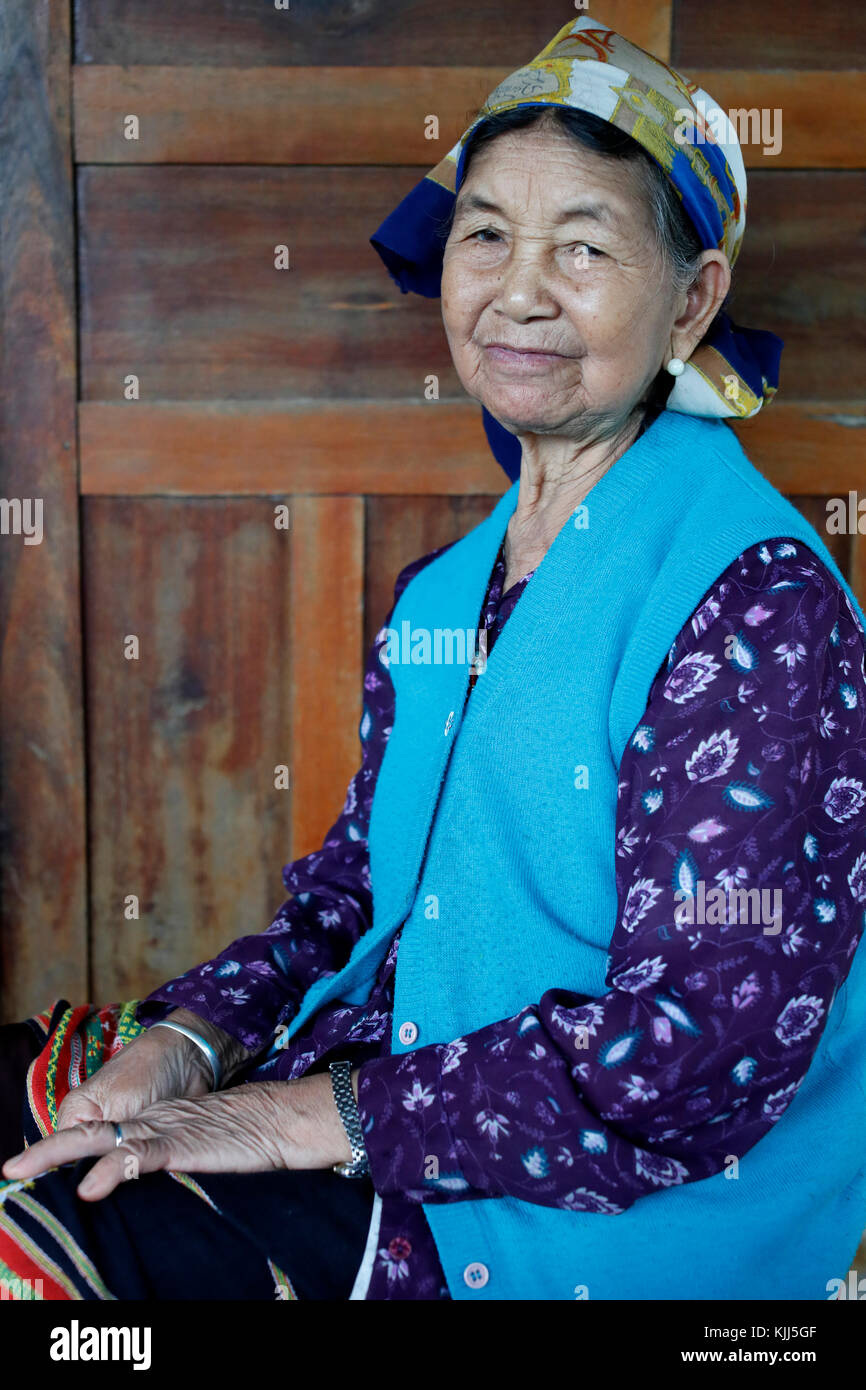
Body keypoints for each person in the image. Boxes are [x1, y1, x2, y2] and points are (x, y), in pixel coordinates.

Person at [2, 14, 865, 1301]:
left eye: (583, 245)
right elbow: (354, 892)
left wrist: (301, 1116)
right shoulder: (445, 589)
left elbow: (701, 1054)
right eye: (485, 234)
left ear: (689, 299)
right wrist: (193, 1040)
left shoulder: (755, 602)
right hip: (377, 1087)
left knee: (54, 1265)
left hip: (560, 1217)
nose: (520, 289)